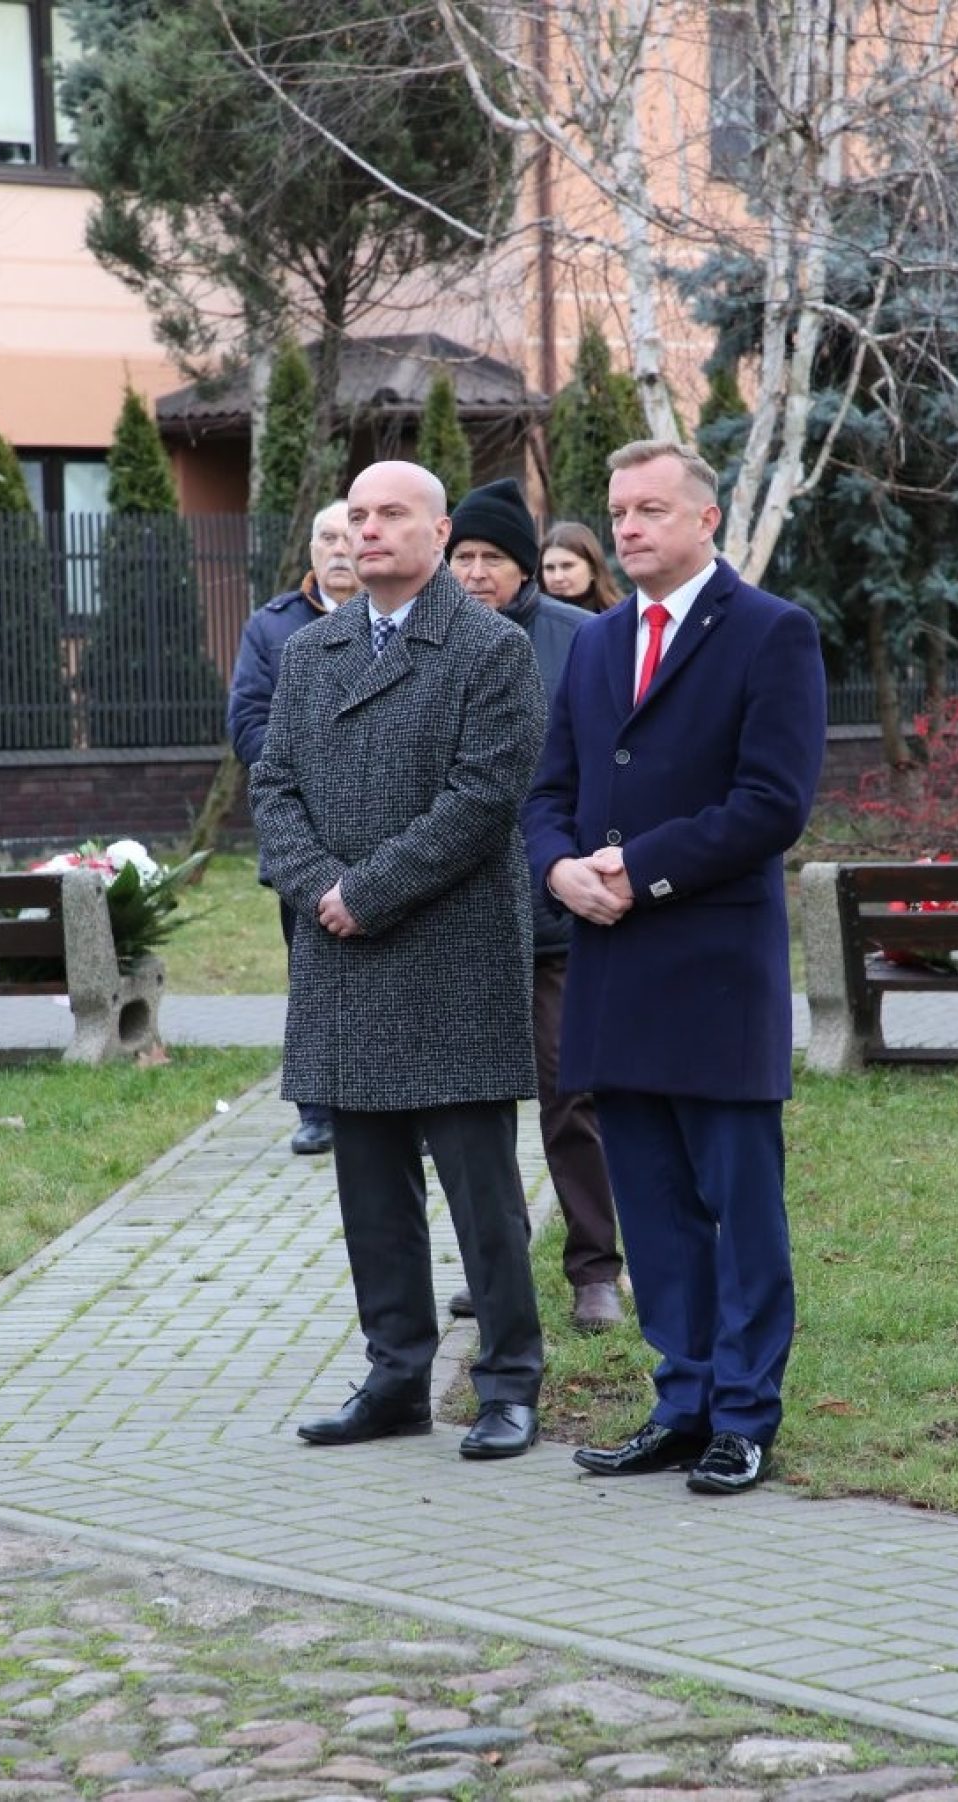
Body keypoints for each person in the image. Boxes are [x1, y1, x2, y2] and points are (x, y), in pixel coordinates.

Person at [524, 440, 827, 1495]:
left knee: (740, 1210)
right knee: (652, 1210)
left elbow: (772, 804)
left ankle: (744, 1416)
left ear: (706, 519)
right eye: (618, 510)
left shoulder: (772, 631)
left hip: (713, 970)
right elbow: (550, 789)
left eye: (651, 508)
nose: (627, 527)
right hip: (613, 964)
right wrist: (558, 867)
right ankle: (682, 1403)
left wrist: (636, 869)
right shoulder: (600, 641)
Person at [249, 460, 548, 1461]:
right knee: (371, 1194)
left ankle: (509, 1379)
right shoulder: (311, 650)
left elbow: (484, 797)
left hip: (449, 951)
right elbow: (273, 784)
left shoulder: (492, 648)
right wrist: (318, 887)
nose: (367, 531)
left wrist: (366, 891)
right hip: (341, 952)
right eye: (357, 516)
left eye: (390, 514)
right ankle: (394, 1378)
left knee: (482, 1195)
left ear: (439, 530)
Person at [446, 478, 623, 1333]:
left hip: (555, 916)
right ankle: (496, 1268)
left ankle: (595, 1270)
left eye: (495, 558)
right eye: (464, 557)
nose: (477, 573)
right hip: (456, 916)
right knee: (473, 1108)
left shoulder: (578, 639)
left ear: (527, 567)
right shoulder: (428, 637)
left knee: (570, 1094)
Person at [228, 500, 359, 1155]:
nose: (339, 548)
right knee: (311, 976)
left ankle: (405, 1107)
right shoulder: (273, 628)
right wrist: (319, 776)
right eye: (326, 537)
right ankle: (319, 1110)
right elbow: (248, 724)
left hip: (390, 831)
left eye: (349, 535)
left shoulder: (405, 620)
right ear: (311, 550)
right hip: (303, 834)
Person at [539, 521, 622, 612]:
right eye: (549, 568)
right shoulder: (530, 617)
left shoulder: (622, 616)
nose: (557, 577)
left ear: (592, 570)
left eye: (567, 566)